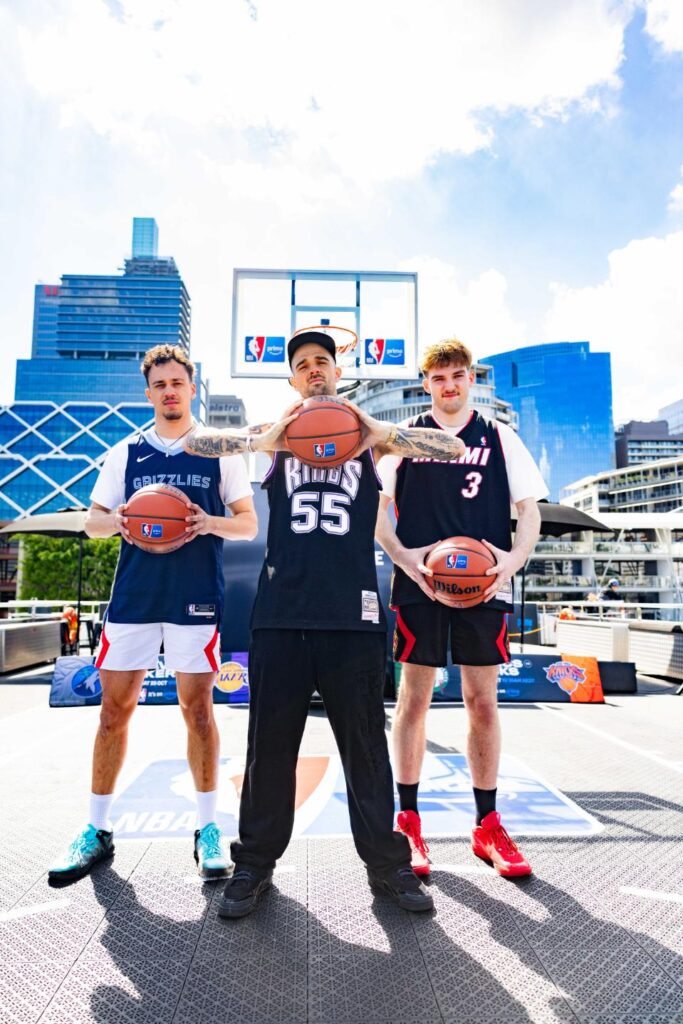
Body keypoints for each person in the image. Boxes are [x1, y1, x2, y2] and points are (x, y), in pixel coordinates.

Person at [185, 328, 467, 917]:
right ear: (291, 378)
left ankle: (388, 868)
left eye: (323, 362)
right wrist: (269, 435)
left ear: (338, 371)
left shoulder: (371, 441)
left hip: (353, 614)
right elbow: (198, 443)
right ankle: (255, 865)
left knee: (365, 747)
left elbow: (451, 449)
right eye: (303, 365)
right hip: (282, 614)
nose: (314, 370)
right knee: (269, 749)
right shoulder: (275, 440)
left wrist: (374, 429)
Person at [48, 345, 257, 885]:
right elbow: (92, 522)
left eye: (177, 382)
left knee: (199, 711)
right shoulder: (126, 453)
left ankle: (207, 827)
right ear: (149, 393)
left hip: (195, 597)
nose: (169, 391)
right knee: (113, 712)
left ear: (192, 388)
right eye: (159, 384)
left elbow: (248, 525)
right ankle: (96, 829)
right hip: (135, 597)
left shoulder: (219, 450)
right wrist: (120, 518)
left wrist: (205, 521)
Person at [375, 338, 548, 878]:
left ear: (470, 379)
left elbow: (529, 511)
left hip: (483, 584)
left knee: (482, 703)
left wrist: (513, 558)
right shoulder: (406, 440)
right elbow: (379, 515)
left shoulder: (500, 436)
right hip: (422, 585)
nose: (449, 386)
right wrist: (405, 559)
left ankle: (487, 824)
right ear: (425, 384)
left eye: (457, 376)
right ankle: (408, 821)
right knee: (414, 699)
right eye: (438, 378)